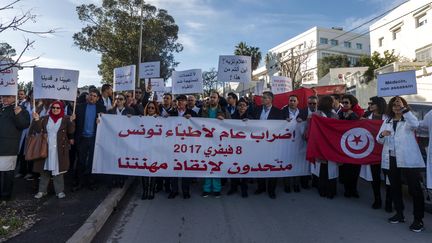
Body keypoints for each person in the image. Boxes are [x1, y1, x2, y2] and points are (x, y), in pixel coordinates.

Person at [376, 96, 425, 232]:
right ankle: (399, 214)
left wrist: (404, 110)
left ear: (404, 106)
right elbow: (378, 140)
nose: (396, 107)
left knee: (414, 190)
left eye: (399, 105)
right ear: (390, 108)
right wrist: (382, 135)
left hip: (408, 160)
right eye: (394, 105)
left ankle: (418, 219)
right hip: (391, 159)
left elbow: (416, 125)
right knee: (395, 187)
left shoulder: (409, 119)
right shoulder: (387, 121)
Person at [31, 101, 75, 199]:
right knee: (44, 171)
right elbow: (38, 130)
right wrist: (37, 120)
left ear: (61, 109)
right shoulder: (45, 119)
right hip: (46, 148)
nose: (55, 109)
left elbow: (71, 131)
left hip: (59, 149)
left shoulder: (66, 119)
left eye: (58, 108)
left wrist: (72, 121)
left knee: (58, 171)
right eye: (53, 108)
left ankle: (59, 191)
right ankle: (42, 191)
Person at [360, 96, 392, 211]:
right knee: (375, 177)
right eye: (369, 103)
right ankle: (377, 199)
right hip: (372, 151)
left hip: (386, 151)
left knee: (389, 178)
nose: (370, 105)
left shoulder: (388, 118)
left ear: (379, 104)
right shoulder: (366, 116)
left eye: (372, 103)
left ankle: (389, 201)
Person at [199, 91, 230, 198]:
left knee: (216, 165)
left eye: (214, 97)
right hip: (206, 142)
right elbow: (196, 122)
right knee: (207, 165)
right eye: (211, 97)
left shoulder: (224, 111)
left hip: (219, 143)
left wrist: (224, 120)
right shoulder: (203, 110)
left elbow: (231, 124)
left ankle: (217, 189)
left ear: (218, 99)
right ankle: (206, 189)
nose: (212, 99)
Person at [73, 89, 106, 191]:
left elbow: (107, 123)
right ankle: (79, 182)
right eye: (91, 95)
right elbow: (74, 123)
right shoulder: (79, 107)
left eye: (94, 96)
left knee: (92, 162)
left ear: (97, 98)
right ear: (88, 96)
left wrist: (102, 121)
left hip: (94, 139)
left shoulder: (102, 108)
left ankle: (91, 182)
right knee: (81, 162)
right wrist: (72, 118)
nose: (92, 97)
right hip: (82, 139)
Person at [252, 91, 283, 199]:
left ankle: (271, 189)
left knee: (271, 165)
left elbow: (283, 126)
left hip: (272, 143)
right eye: (262, 98)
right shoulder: (257, 109)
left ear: (270, 99)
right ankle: (261, 187)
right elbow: (251, 121)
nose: (262, 99)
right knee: (260, 165)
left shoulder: (278, 112)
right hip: (258, 143)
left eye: (264, 98)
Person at [0, 95, 30, 200]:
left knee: (7, 174)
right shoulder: (1, 108)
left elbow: (24, 124)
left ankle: (5, 197)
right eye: (3, 96)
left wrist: (18, 114)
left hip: (8, 147)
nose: (5, 99)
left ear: (15, 97)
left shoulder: (21, 109)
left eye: (8, 97)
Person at [167, 95, 198, 199]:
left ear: (186, 103)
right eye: (179, 101)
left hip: (187, 146)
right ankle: (174, 190)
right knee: (174, 168)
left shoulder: (192, 114)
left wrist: (191, 119)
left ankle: (185, 191)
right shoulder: (171, 113)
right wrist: (165, 118)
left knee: (185, 168)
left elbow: (198, 127)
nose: (180, 103)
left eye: (182, 101)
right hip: (173, 145)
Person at [310, 96, 339, 198]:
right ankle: (324, 190)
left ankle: (329, 190)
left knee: (330, 168)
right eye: (332, 102)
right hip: (321, 144)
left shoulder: (335, 115)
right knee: (323, 167)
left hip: (331, 145)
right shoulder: (316, 115)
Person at [107, 93, 135, 188]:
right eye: (117, 98)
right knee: (114, 159)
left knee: (122, 159)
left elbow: (136, 124)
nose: (118, 100)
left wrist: (132, 119)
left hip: (125, 140)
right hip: (113, 140)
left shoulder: (130, 111)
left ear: (124, 101)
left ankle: (122, 179)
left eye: (121, 99)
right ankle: (114, 179)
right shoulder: (110, 111)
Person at [339, 94, 363, 198]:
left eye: (346, 103)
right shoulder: (340, 113)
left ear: (351, 103)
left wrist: (351, 115)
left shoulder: (358, 113)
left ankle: (354, 189)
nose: (344, 104)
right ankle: (347, 190)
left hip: (356, 145)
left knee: (355, 169)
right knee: (346, 169)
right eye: (343, 102)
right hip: (344, 145)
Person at [227, 97, 251, 198]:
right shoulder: (232, 117)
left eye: (244, 106)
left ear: (247, 107)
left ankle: (244, 189)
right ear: (237, 107)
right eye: (240, 105)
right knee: (234, 167)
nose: (242, 107)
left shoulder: (251, 118)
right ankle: (233, 188)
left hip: (246, 147)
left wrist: (249, 122)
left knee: (244, 168)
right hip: (234, 146)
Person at [281, 94, 301, 193]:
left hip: (298, 142)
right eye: (290, 101)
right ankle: (287, 185)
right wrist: (283, 121)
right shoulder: (282, 112)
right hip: (285, 142)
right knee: (286, 162)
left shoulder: (302, 112)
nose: (292, 102)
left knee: (296, 163)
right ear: (288, 102)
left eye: (294, 101)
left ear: (297, 102)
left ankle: (296, 184)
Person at [141, 101, 160, 200]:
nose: (151, 110)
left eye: (153, 108)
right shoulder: (142, 119)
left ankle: (151, 190)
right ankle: (145, 191)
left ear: (156, 109)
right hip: (144, 148)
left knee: (153, 170)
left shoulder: (161, 120)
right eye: (149, 108)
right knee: (144, 170)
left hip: (155, 149)